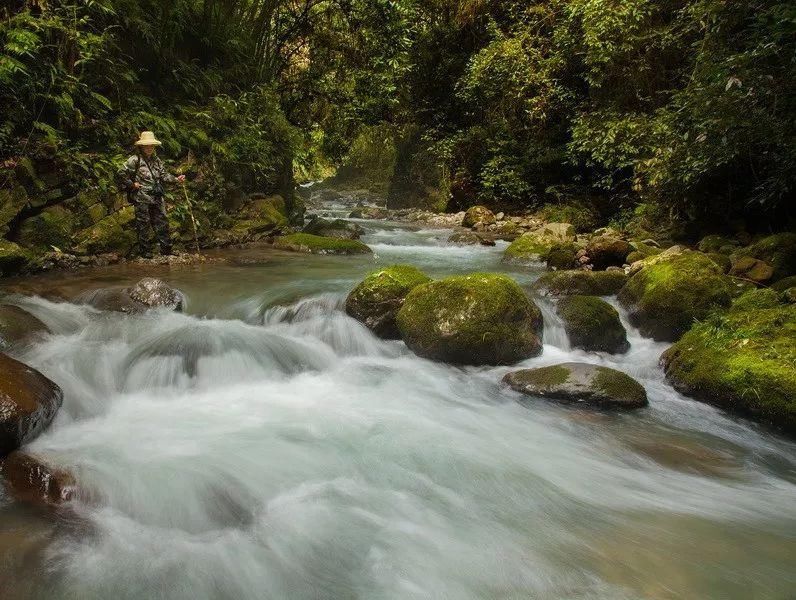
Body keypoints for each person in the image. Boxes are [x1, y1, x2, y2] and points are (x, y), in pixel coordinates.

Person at [120, 131, 186, 258]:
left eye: (151, 145)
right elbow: (121, 173)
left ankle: (166, 250)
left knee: (162, 222)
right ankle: (145, 252)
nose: (149, 148)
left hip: (157, 196)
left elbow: (164, 175)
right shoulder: (134, 160)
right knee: (143, 224)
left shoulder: (157, 160)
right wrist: (132, 184)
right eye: (147, 145)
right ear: (141, 146)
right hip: (142, 197)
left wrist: (177, 179)